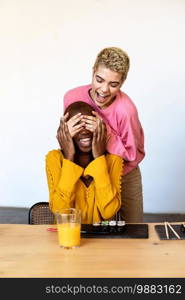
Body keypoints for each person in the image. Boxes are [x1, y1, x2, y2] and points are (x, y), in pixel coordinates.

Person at [62, 47, 145, 223]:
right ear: (93, 72)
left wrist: (105, 133)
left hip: (124, 174)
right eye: (99, 80)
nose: (104, 89)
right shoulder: (72, 96)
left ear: (122, 83)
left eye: (113, 84)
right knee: (88, 227)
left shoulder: (126, 111)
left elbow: (133, 155)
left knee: (133, 227)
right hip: (88, 173)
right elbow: (70, 140)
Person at [45, 101, 123, 224]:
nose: (85, 131)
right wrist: (69, 157)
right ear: (64, 132)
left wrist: (99, 158)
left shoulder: (114, 161)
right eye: (77, 125)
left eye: (88, 123)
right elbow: (60, 211)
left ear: (100, 127)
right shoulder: (54, 158)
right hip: (67, 238)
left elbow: (109, 212)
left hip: (101, 240)